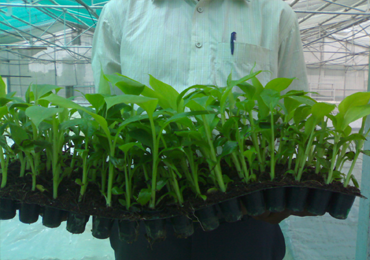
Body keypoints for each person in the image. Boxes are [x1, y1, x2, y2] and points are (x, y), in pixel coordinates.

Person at [91, 0, 310, 259]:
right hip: (146, 208)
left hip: (248, 211)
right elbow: (109, 112)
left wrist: (293, 187)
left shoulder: (275, 14)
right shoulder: (120, 13)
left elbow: (293, 111)